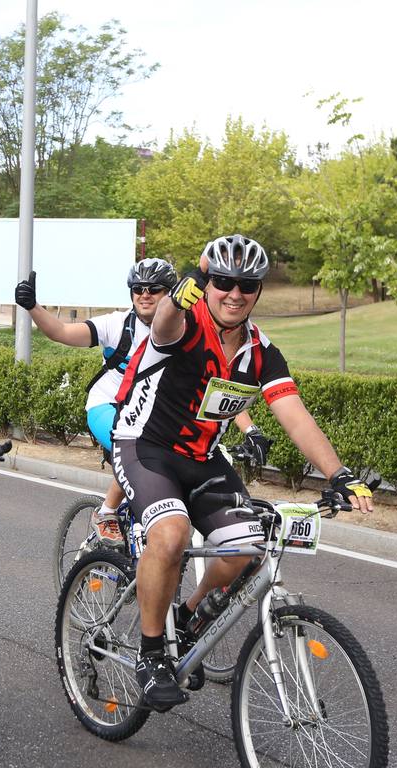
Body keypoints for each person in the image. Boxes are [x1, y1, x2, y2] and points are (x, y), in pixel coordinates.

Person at [110, 234, 373, 711]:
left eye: (246, 285)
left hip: (203, 458)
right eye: (223, 281)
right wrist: (177, 294)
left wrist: (339, 474)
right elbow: (164, 326)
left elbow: (293, 412)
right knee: (170, 536)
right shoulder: (185, 323)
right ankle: (152, 655)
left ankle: (187, 617)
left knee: (248, 546)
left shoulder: (260, 350)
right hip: (144, 447)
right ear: (207, 283)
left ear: (258, 291)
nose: (234, 293)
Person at [14, 260, 268, 546]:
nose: (144, 295)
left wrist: (251, 430)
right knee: (140, 445)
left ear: (171, 293)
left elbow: (220, 393)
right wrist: (32, 306)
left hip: (156, 414)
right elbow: (61, 332)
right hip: (108, 407)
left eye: (154, 289)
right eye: (137, 289)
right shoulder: (117, 324)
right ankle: (107, 512)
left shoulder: (192, 330)